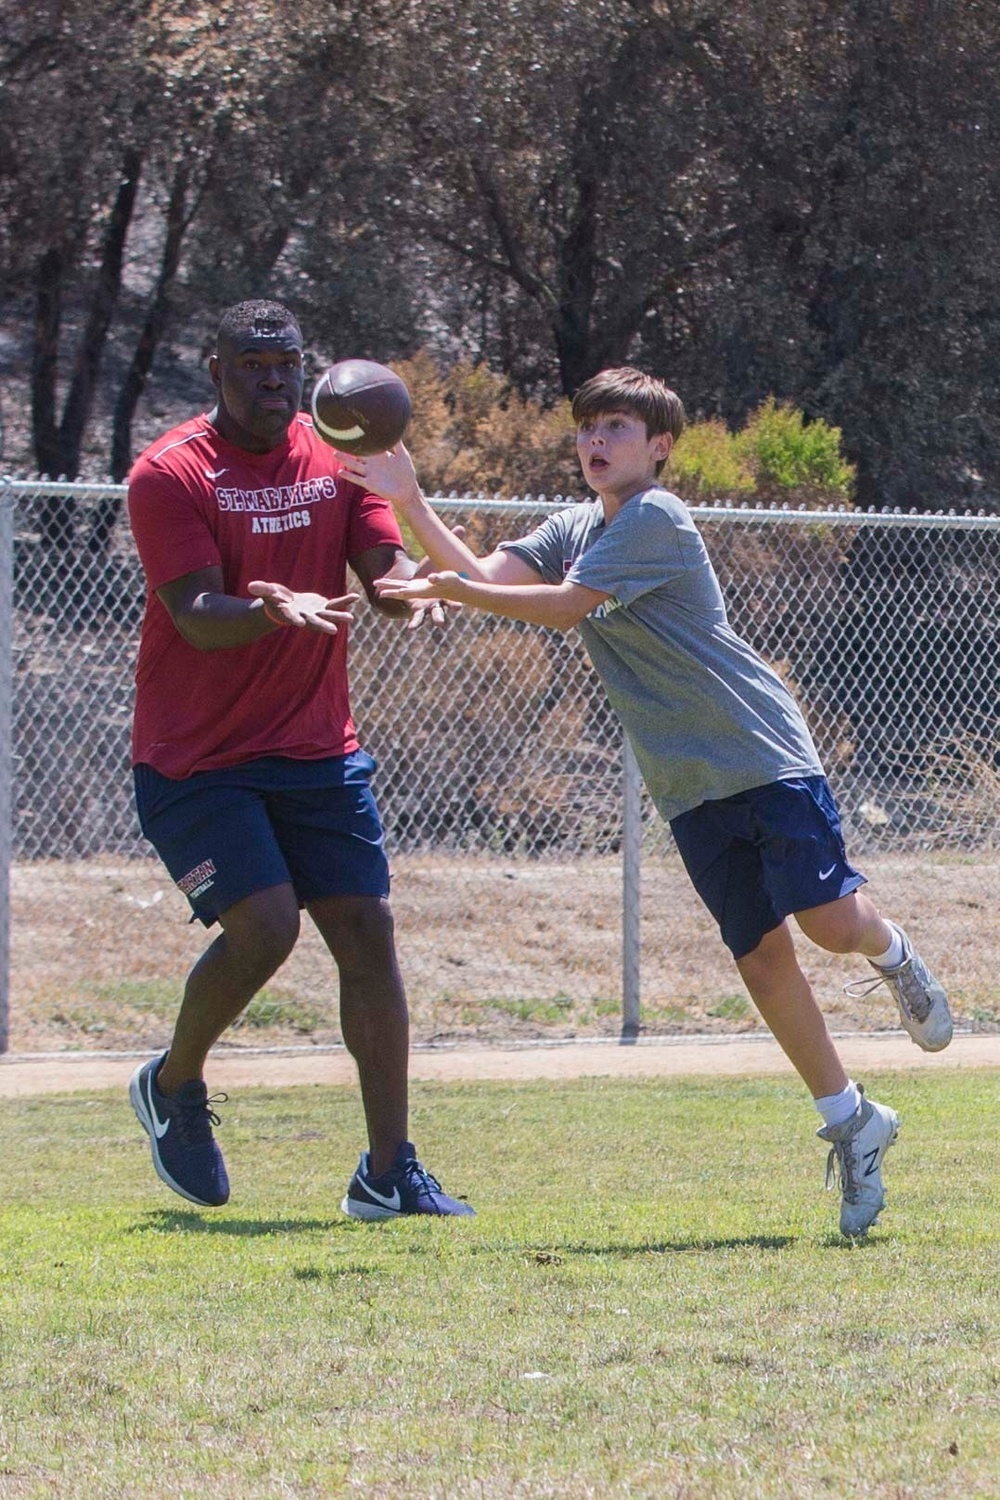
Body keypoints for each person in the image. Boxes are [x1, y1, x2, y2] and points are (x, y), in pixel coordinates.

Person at [345, 365, 952, 1238]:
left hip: (760, 753)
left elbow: (558, 609)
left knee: (826, 922)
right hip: (687, 784)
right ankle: (853, 1121)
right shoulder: (574, 526)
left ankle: (892, 953)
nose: (596, 442)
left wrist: (453, 590)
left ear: (659, 448)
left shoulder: (658, 519)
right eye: (589, 428)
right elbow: (488, 570)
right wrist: (409, 500)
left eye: (618, 429)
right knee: (760, 956)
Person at [125, 298, 473, 1220]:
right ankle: (174, 1085)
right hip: (197, 759)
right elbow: (197, 616)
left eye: (286, 363)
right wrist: (269, 609)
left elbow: (382, 568)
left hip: (318, 747)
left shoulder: (336, 455)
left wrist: (413, 591)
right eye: (253, 364)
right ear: (217, 369)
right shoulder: (171, 473)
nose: (274, 380)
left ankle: (389, 1172)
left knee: (367, 933)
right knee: (268, 926)